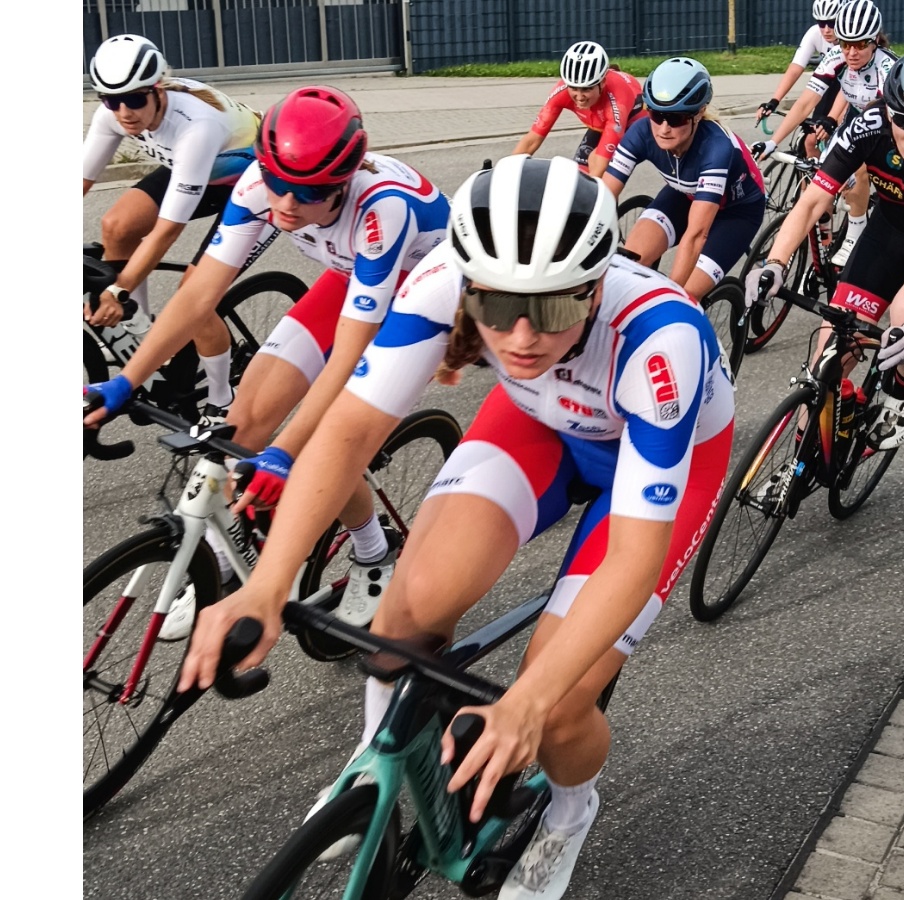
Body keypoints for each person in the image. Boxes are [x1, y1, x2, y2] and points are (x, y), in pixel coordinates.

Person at [177, 154, 735, 900]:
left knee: (563, 700)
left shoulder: (663, 340)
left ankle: (569, 812)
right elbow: (346, 432)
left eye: (559, 307)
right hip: (540, 424)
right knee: (408, 608)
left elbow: (634, 558)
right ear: (469, 285)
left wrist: (527, 701)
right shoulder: (440, 276)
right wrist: (270, 582)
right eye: (499, 309)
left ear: (598, 286)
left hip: (660, 458)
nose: (525, 338)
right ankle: (376, 762)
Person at [85, 85, 451, 635]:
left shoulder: (382, 209)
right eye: (276, 183)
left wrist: (286, 452)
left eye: (305, 194)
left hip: (423, 292)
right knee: (243, 417)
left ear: (341, 184)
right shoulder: (262, 181)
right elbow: (196, 295)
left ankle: (374, 554)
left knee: (329, 436)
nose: (283, 204)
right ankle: (216, 559)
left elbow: (347, 355)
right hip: (350, 274)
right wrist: (126, 383)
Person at [746, 47, 904, 450]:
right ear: (889, 109)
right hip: (889, 229)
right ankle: (797, 461)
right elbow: (811, 202)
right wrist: (775, 262)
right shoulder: (869, 125)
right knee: (827, 356)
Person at [83, 33, 265, 420]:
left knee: (193, 295)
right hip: (201, 173)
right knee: (117, 224)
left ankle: (221, 399)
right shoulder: (113, 116)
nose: (124, 112)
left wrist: (118, 288)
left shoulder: (195, 125)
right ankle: (141, 331)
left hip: (256, 185)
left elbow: (167, 230)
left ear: (158, 90)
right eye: (112, 101)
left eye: (134, 99)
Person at [601, 57, 766, 302]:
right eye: (656, 115)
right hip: (684, 195)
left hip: (736, 212)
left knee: (682, 296)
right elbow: (603, 196)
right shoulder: (641, 132)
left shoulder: (716, 148)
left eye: (676, 118)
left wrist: (670, 298)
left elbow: (696, 235)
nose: (664, 128)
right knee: (626, 266)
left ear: (699, 113)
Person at [754, 0, 897, 267]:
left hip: (888, 126)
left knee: (859, 170)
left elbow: (877, 125)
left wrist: (847, 160)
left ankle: (855, 233)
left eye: (860, 44)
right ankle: (800, 251)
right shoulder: (837, 58)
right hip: (857, 116)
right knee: (821, 180)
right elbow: (806, 102)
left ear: (875, 41)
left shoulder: (887, 68)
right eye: (845, 44)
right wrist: (773, 143)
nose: (851, 52)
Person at [512, 41, 646, 178]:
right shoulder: (562, 91)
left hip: (632, 123)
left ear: (602, 83)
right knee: (577, 174)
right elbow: (532, 139)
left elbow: (601, 166)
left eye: (587, 89)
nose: (580, 97)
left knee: (598, 166)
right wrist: (507, 171)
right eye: (574, 88)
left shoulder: (616, 104)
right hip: (601, 123)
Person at [754, 0, 849, 159]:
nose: (826, 30)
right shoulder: (815, 34)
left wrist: (832, 119)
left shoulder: (852, 46)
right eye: (821, 23)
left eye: (832, 23)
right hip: (831, 86)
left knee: (842, 144)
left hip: (855, 92)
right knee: (811, 142)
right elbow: (796, 68)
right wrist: (774, 100)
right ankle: (812, 181)